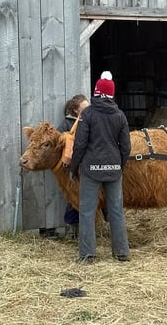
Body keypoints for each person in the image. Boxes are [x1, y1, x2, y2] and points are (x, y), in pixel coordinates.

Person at [70, 71, 131, 263]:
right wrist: (119, 165)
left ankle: (88, 255)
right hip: (113, 169)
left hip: (91, 170)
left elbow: (80, 144)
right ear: (111, 94)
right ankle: (121, 252)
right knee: (116, 210)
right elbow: (126, 146)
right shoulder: (120, 116)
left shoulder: (88, 114)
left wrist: (73, 167)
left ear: (96, 92)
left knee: (87, 211)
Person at [58, 94, 90, 237]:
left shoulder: (89, 120)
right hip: (75, 166)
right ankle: (71, 229)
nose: (89, 109)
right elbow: (58, 141)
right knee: (75, 198)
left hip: (88, 165)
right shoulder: (67, 124)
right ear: (76, 110)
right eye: (85, 107)